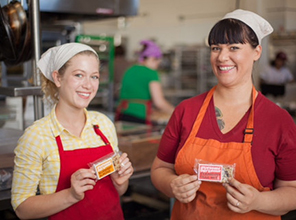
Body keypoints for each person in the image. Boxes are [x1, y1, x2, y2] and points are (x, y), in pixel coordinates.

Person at [151, 9, 296, 220]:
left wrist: (258, 201)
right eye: (215, 48)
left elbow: (292, 190)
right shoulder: (186, 111)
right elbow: (160, 168)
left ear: (257, 52)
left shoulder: (278, 121)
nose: (222, 57)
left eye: (234, 47)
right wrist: (172, 185)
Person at [11, 42, 133, 220]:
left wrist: (121, 180)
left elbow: (118, 190)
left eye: (94, 77)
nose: (88, 85)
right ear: (58, 78)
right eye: (78, 75)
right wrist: (71, 195)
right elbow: (22, 208)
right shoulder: (37, 135)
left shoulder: (103, 124)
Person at [116, 40, 174, 125]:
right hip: (140, 117)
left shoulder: (130, 70)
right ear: (151, 58)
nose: (157, 64)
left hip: (123, 113)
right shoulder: (151, 73)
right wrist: (176, 112)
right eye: (157, 61)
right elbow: (159, 102)